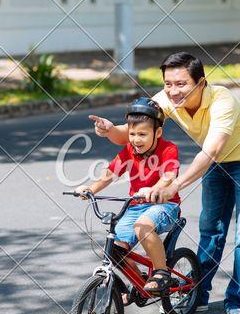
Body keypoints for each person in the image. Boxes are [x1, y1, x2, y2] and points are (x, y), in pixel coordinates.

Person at [89, 52, 240, 314]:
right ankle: (198, 293)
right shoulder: (165, 99)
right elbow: (135, 128)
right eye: (168, 84)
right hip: (215, 161)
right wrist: (109, 130)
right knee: (211, 229)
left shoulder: (222, 101)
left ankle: (237, 302)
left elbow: (211, 152)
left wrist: (173, 186)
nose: (173, 91)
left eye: (181, 84)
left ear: (201, 83)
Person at [76, 97, 181, 295]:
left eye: (142, 134)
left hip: (165, 205)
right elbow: (110, 173)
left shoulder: (168, 149)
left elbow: (168, 176)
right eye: (132, 134)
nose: (136, 139)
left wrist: (154, 189)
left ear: (157, 133)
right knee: (115, 247)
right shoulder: (129, 150)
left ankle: (161, 272)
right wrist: (91, 189)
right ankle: (138, 281)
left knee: (143, 226)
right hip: (136, 205)